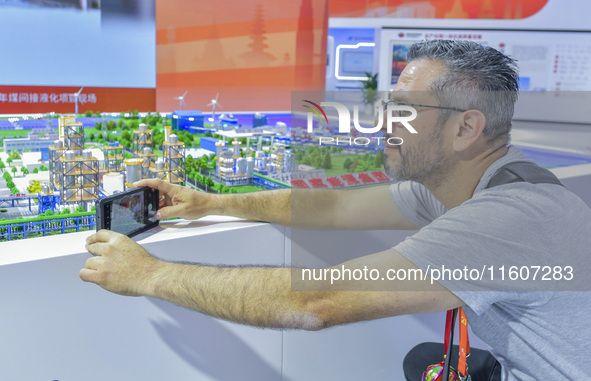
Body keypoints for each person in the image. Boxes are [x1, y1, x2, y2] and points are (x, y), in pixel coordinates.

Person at [80, 40, 591, 379]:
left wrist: (149, 276)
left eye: (405, 110)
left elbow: (315, 303)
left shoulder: (510, 220)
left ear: (466, 128)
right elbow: (329, 209)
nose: (383, 122)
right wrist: (212, 203)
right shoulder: (475, 180)